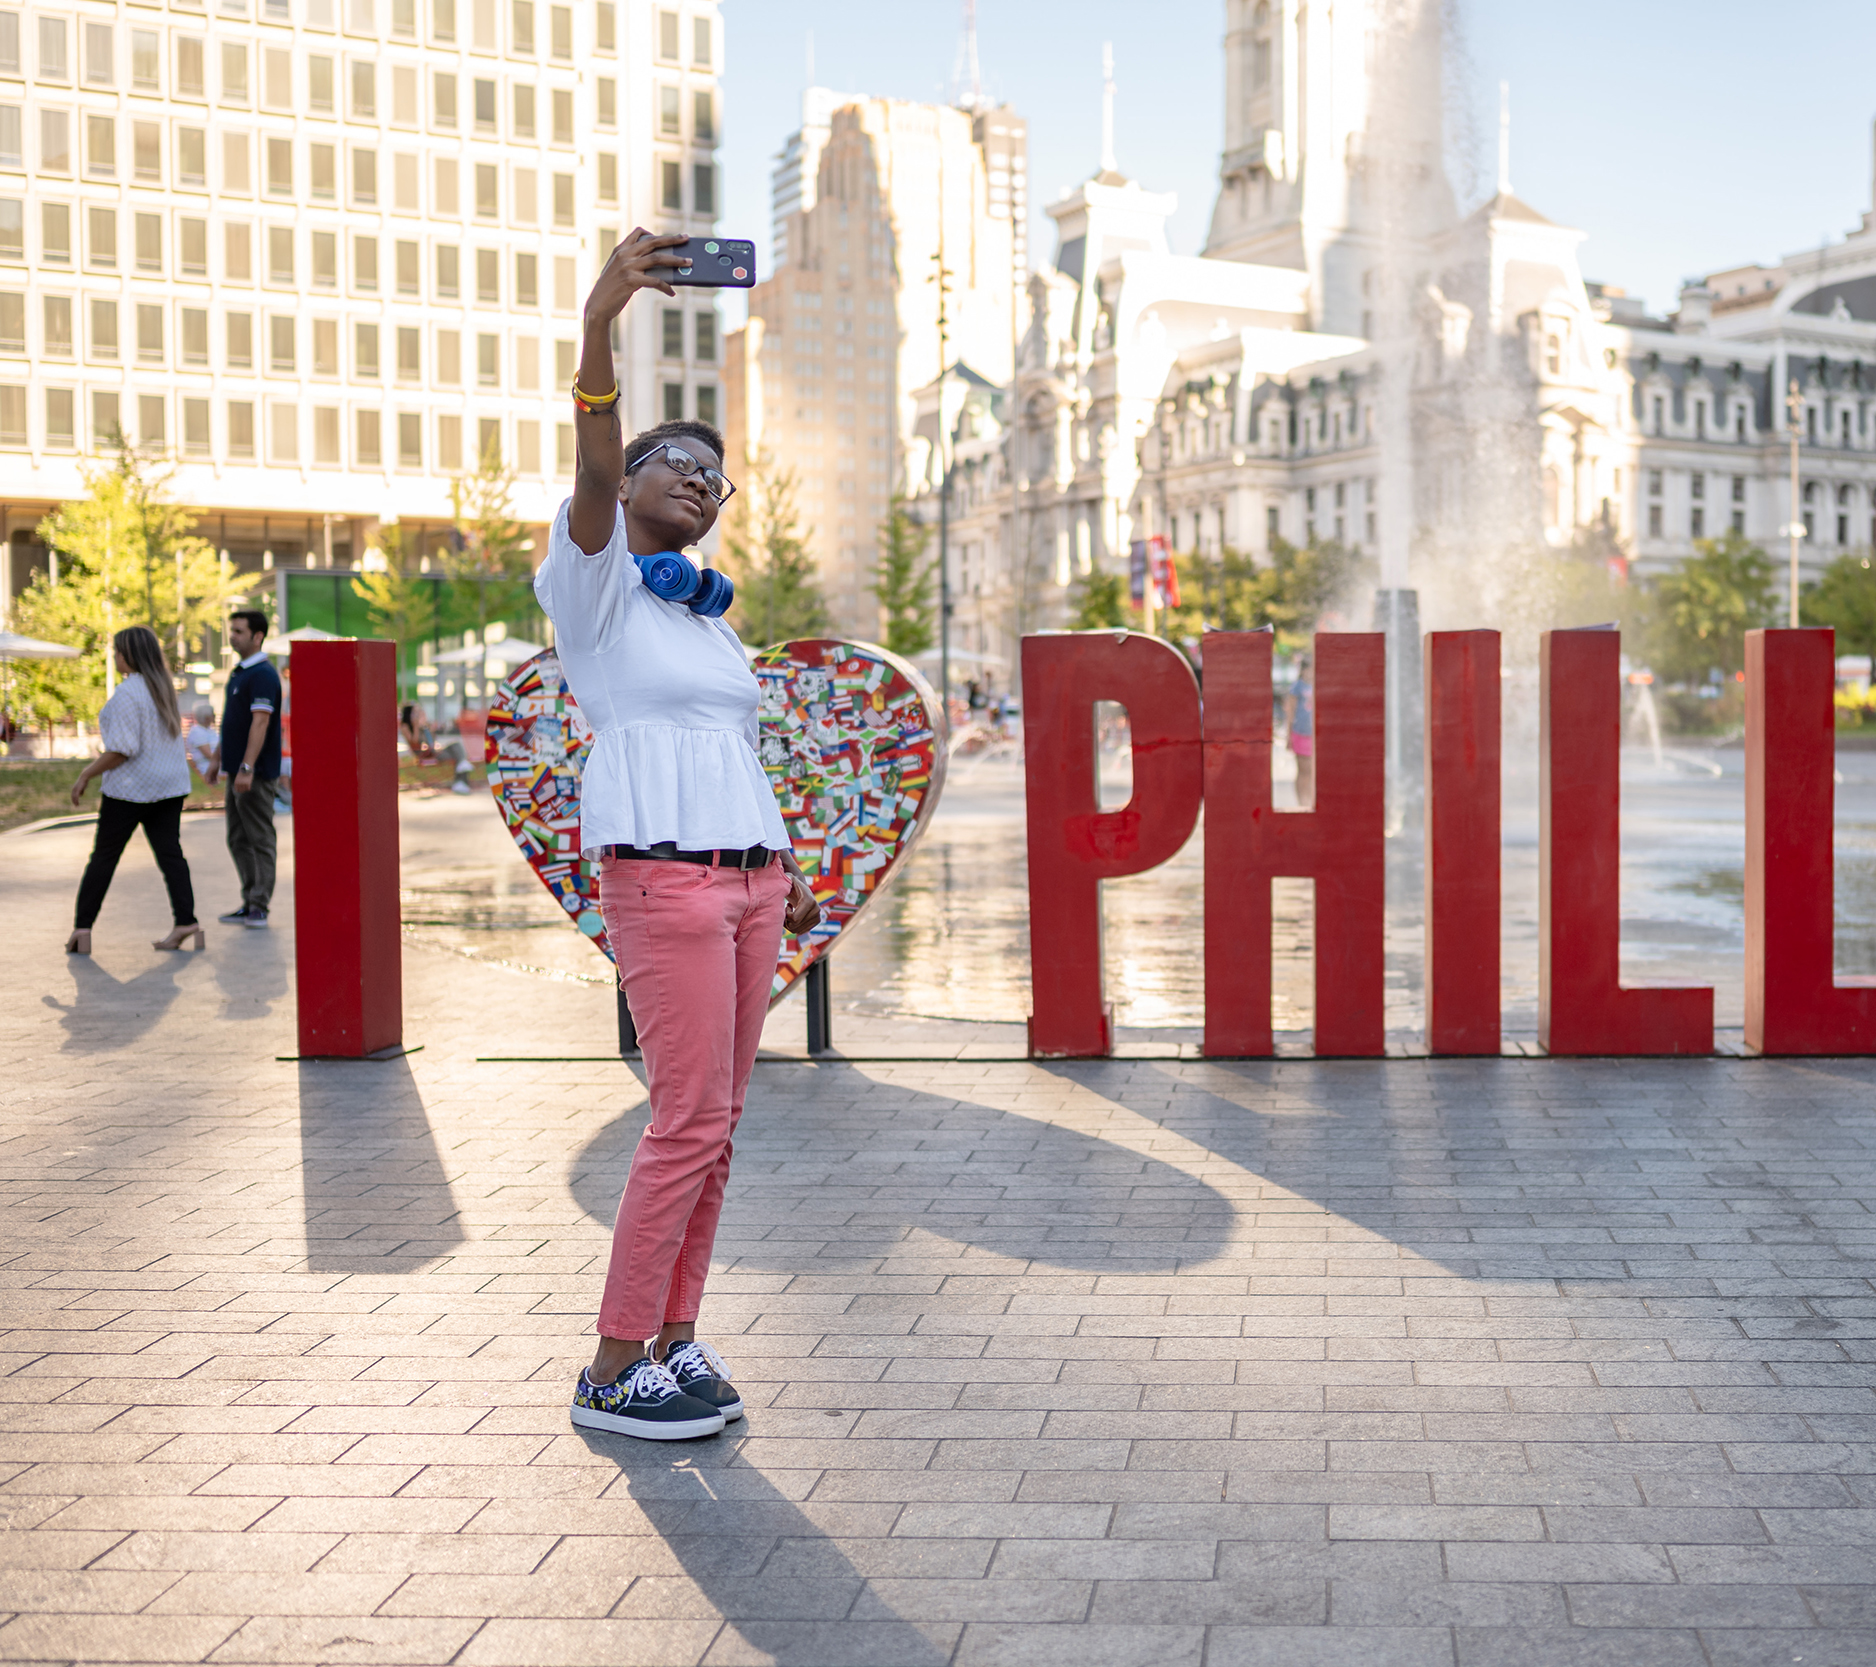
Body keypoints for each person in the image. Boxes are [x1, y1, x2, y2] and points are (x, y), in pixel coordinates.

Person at [540, 226, 823, 1442]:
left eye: (717, 475)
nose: (703, 480)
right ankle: (611, 1367)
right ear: (629, 482)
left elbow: (730, 749)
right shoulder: (594, 584)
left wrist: (783, 866)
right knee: (686, 1119)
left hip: (748, 886)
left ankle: (673, 1336)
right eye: (679, 462)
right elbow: (596, 462)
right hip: (663, 881)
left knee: (720, 1124)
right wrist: (600, 324)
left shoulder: (709, 622)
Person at [66, 627, 201, 955]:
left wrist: (86, 774)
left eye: (118, 651)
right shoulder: (163, 688)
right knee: (171, 855)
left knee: (104, 857)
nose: (115, 657)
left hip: (130, 790)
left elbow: (123, 749)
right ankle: (186, 921)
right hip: (169, 787)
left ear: (130, 655)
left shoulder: (128, 693)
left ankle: (82, 929)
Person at [207, 609, 282, 927]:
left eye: (239, 631)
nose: (233, 637)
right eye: (232, 630)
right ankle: (250, 899)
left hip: (255, 774)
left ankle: (259, 906)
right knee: (237, 838)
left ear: (257, 636)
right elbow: (232, 724)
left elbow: (260, 722)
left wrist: (248, 767)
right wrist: (217, 760)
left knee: (259, 838)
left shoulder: (263, 674)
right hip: (237, 771)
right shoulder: (239, 673)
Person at [399, 702, 475, 794]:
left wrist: (428, 729)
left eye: (419, 712)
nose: (418, 714)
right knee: (459, 758)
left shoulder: (423, 726)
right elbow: (414, 742)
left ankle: (461, 780)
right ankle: (460, 783)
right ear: (409, 713)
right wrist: (416, 726)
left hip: (432, 752)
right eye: (416, 712)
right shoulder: (405, 726)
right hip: (423, 754)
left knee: (456, 747)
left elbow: (432, 742)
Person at [1284, 653, 1315, 810]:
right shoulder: (1297, 687)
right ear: (1303, 670)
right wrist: (1288, 735)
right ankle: (1302, 801)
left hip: (1313, 734)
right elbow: (1290, 711)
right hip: (1300, 732)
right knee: (1303, 769)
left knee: (1311, 770)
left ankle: (1309, 800)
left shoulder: (1317, 685)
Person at [183, 701, 220, 786]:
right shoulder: (197, 732)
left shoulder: (211, 730)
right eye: (213, 714)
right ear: (206, 717)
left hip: (217, 765)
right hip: (207, 768)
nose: (215, 716)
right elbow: (209, 755)